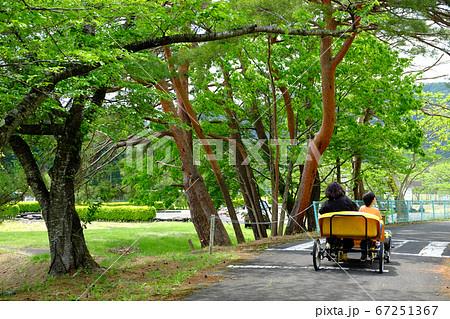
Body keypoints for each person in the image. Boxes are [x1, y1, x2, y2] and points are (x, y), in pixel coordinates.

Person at [319, 182, 359, 260]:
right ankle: (345, 252)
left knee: (332, 233)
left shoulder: (326, 203)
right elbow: (355, 209)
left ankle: (331, 245)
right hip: (347, 229)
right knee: (348, 234)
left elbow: (321, 211)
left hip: (332, 230)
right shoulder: (346, 200)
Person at [358, 191, 382, 261]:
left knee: (363, 242)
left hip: (363, 231)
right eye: (374, 198)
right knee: (380, 224)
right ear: (372, 200)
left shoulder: (362, 208)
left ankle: (363, 254)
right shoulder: (376, 210)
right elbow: (379, 220)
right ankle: (378, 240)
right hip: (372, 231)